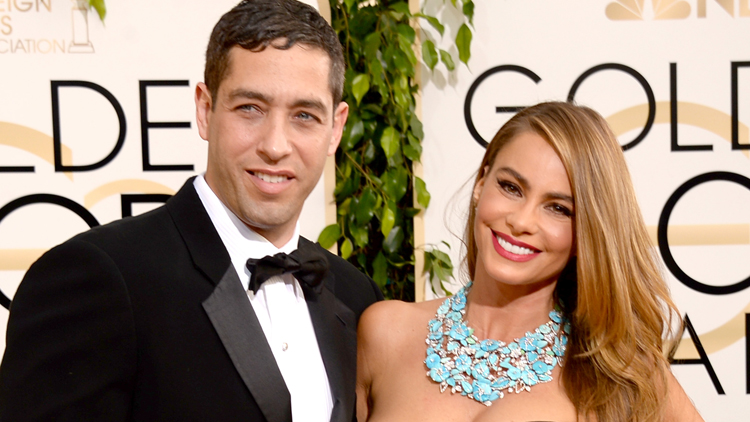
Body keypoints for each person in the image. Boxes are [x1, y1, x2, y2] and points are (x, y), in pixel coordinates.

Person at [0, 1, 382, 421]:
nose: (275, 146)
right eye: (250, 108)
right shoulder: (97, 278)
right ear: (204, 109)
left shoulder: (357, 296)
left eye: (304, 115)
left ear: (336, 128)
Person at [356, 102, 704, 422]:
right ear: (481, 183)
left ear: (587, 233)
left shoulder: (619, 373)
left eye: (558, 208)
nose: (522, 221)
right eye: (511, 187)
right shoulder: (385, 333)